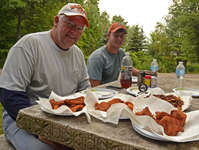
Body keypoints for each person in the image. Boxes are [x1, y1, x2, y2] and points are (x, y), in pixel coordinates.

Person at [0, 3, 90, 150]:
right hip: (20, 119)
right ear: (56, 21)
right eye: (70, 24)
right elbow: (10, 95)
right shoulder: (29, 45)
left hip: (63, 118)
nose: (74, 31)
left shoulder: (78, 54)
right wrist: (40, 128)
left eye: (79, 28)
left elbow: (85, 92)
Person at [87, 22, 139, 87]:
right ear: (108, 36)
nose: (119, 39)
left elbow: (129, 69)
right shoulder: (97, 58)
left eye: (122, 36)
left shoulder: (121, 53)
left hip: (112, 91)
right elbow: (94, 88)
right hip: (100, 93)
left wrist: (143, 73)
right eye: (116, 35)